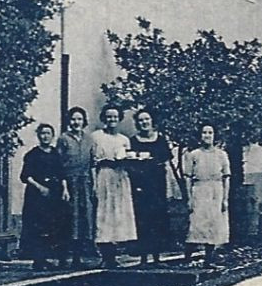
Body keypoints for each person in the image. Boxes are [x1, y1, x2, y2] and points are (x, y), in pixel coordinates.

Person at [18, 123, 69, 271]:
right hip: (37, 196)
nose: (45, 136)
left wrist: (65, 190)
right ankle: (39, 260)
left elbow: (62, 173)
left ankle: (54, 258)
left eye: (48, 133)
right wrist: (40, 187)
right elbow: (25, 176)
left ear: (52, 136)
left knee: (54, 226)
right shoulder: (32, 154)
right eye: (43, 133)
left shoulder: (55, 153)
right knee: (38, 227)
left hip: (54, 194)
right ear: (38, 136)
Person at [127, 110, 176, 266]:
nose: (144, 123)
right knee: (142, 220)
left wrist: (170, 188)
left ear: (152, 121)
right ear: (137, 123)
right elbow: (130, 163)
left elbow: (167, 165)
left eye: (147, 119)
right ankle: (143, 259)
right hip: (140, 186)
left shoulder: (160, 140)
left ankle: (157, 258)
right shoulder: (133, 141)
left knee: (158, 219)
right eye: (141, 120)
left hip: (158, 184)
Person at [91, 106, 138, 267]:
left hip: (120, 177)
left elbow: (128, 158)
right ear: (104, 118)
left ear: (119, 119)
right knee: (103, 214)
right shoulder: (96, 137)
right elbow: (92, 161)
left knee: (118, 214)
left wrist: (125, 161)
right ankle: (105, 255)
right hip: (104, 175)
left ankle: (114, 255)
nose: (112, 120)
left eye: (115, 117)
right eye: (109, 117)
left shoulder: (124, 139)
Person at [183, 124, 231, 265]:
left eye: (210, 132)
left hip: (216, 191)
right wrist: (189, 198)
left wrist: (225, 199)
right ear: (200, 136)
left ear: (214, 135)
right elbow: (188, 177)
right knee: (196, 224)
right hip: (199, 190)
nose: (207, 135)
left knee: (213, 225)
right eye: (204, 132)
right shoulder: (194, 155)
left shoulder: (221, 155)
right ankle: (187, 258)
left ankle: (208, 259)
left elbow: (226, 177)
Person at [57, 107, 96, 268]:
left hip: (85, 182)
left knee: (83, 219)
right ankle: (64, 257)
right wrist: (64, 187)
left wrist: (93, 185)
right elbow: (59, 165)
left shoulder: (89, 139)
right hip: (69, 183)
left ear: (84, 121)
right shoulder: (63, 139)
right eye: (73, 119)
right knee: (68, 219)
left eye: (79, 119)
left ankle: (78, 257)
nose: (76, 122)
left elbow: (93, 162)